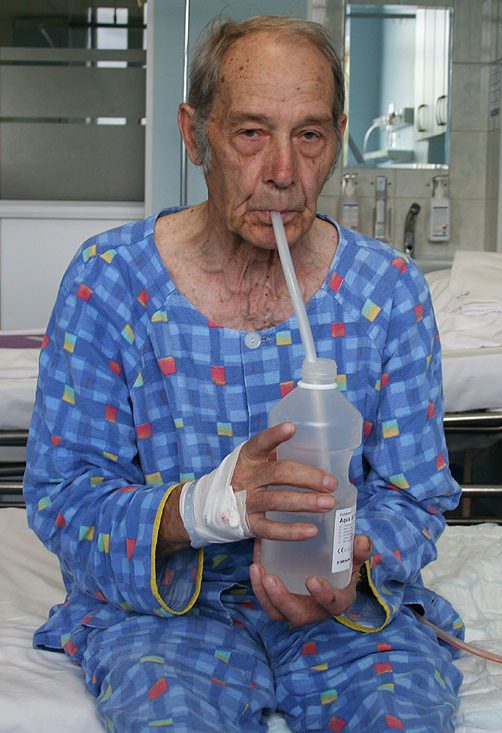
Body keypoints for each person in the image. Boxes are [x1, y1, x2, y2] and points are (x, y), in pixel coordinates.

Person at [24, 15, 463, 733]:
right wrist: (203, 508)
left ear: (338, 137)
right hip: (166, 617)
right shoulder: (111, 281)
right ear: (195, 134)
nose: (283, 172)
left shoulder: (387, 290)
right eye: (251, 133)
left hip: (340, 610)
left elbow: (416, 497)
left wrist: (351, 565)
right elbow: (64, 496)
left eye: (309, 135)